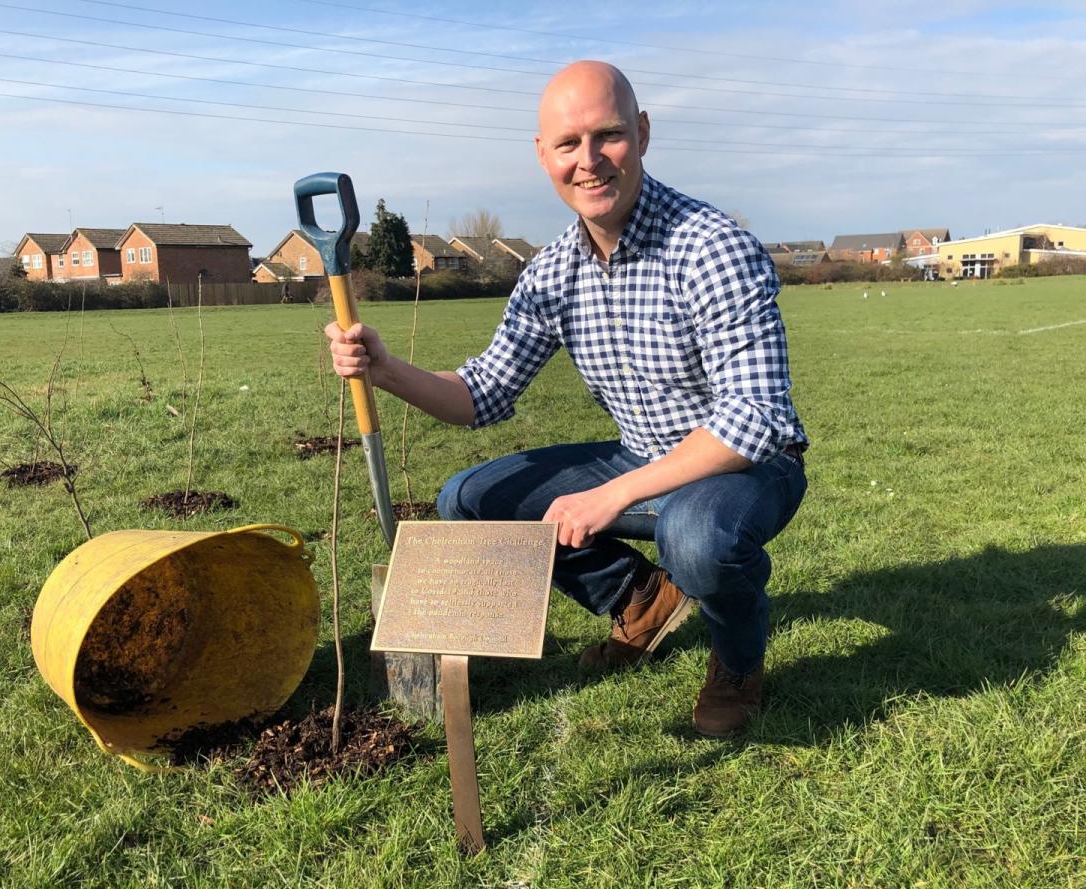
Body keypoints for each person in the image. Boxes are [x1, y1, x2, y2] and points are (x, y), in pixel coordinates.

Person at [327, 60, 808, 737]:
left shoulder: (711, 247)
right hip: (641, 456)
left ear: (641, 133)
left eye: (607, 136)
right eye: (567, 144)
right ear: (541, 155)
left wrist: (612, 494)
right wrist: (385, 370)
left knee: (695, 537)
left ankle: (736, 663)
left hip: (747, 469)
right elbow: (482, 392)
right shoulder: (552, 272)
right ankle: (639, 598)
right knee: (469, 499)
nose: (589, 161)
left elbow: (754, 420)